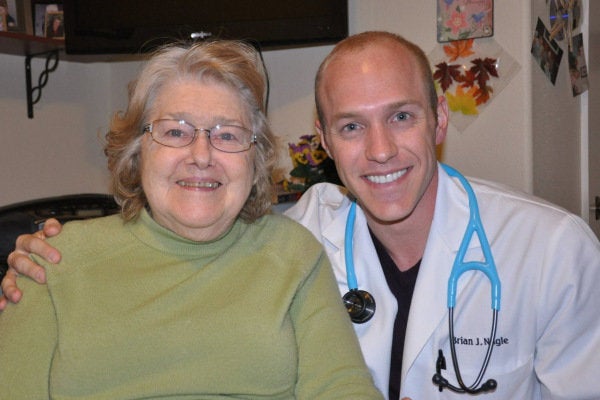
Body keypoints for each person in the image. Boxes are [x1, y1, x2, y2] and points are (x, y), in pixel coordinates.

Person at [3, 31, 600, 399]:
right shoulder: (304, 229)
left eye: (401, 117)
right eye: (176, 131)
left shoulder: (553, 251)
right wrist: (37, 264)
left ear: (439, 119)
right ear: (323, 141)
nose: (380, 150)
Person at [0, 39, 383, 399]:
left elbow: (343, 387)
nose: (201, 155)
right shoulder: (53, 262)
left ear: (255, 160)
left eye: (228, 136)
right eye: (175, 131)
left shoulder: (294, 255)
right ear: (137, 151)